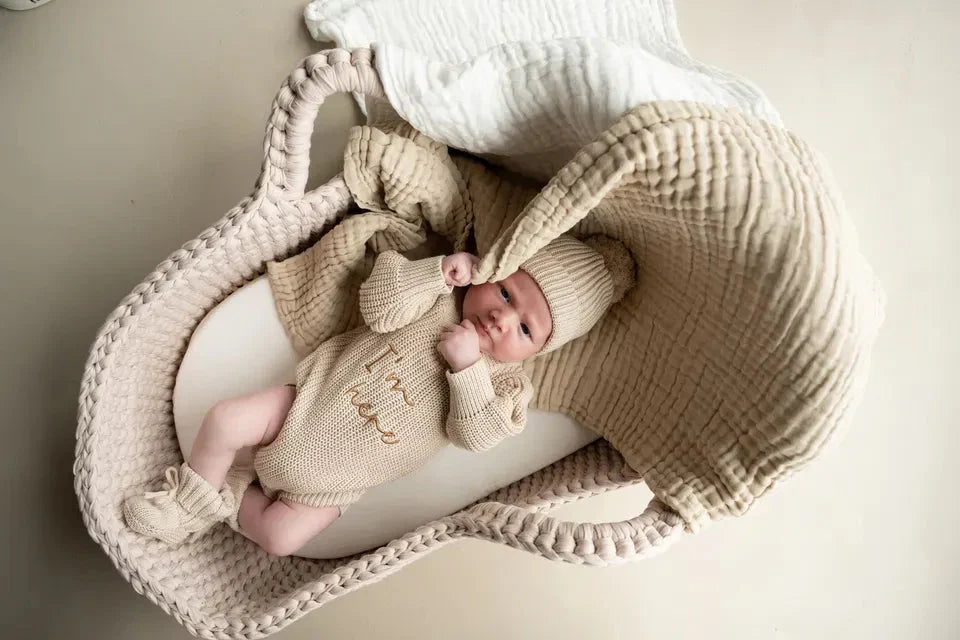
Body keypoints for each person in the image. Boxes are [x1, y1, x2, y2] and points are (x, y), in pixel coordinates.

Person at [123, 234, 635, 556]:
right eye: (506, 292)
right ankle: (189, 502)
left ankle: (231, 493)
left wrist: (469, 369)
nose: (503, 318)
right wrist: (434, 272)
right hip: (302, 407)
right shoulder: (439, 298)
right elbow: (378, 305)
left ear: (539, 351)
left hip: (337, 484)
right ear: (491, 271)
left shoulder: (506, 387)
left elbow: (474, 435)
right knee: (224, 420)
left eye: (524, 329)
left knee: (280, 539)